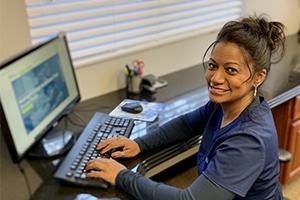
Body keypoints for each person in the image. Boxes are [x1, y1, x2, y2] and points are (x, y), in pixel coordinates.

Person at [85, 15, 286, 200]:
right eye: (213, 65)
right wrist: (139, 143)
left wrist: (121, 176)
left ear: (259, 77)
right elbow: (186, 124)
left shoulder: (249, 140)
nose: (215, 78)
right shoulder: (226, 105)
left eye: (231, 70)